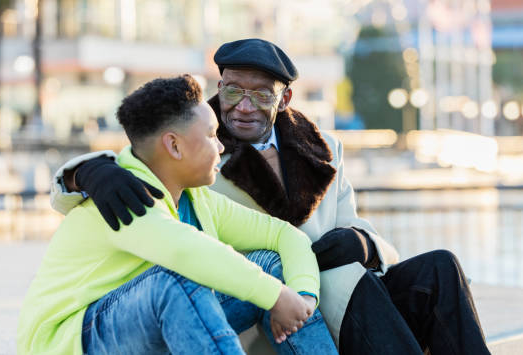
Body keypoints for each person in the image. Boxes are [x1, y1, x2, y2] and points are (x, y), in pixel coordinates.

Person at [50, 39, 490, 354]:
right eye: (234, 90)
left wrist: (363, 242)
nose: (243, 106)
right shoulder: (197, 150)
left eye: (260, 94)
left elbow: (374, 240)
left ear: (285, 98)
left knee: (440, 267)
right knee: (340, 281)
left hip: (344, 292)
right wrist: (88, 170)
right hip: (279, 310)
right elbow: (141, 151)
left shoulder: (325, 149)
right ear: (219, 88)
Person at [18, 75, 339, 355]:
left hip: (153, 322)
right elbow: (187, 252)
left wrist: (302, 297)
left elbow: (284, 235)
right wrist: (276, 295)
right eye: (211, 135)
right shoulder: (123, 197)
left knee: (270, 265)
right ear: (174, 146)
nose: (222, 147)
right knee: (177, 279)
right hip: (76, 340)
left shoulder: (197, 198)